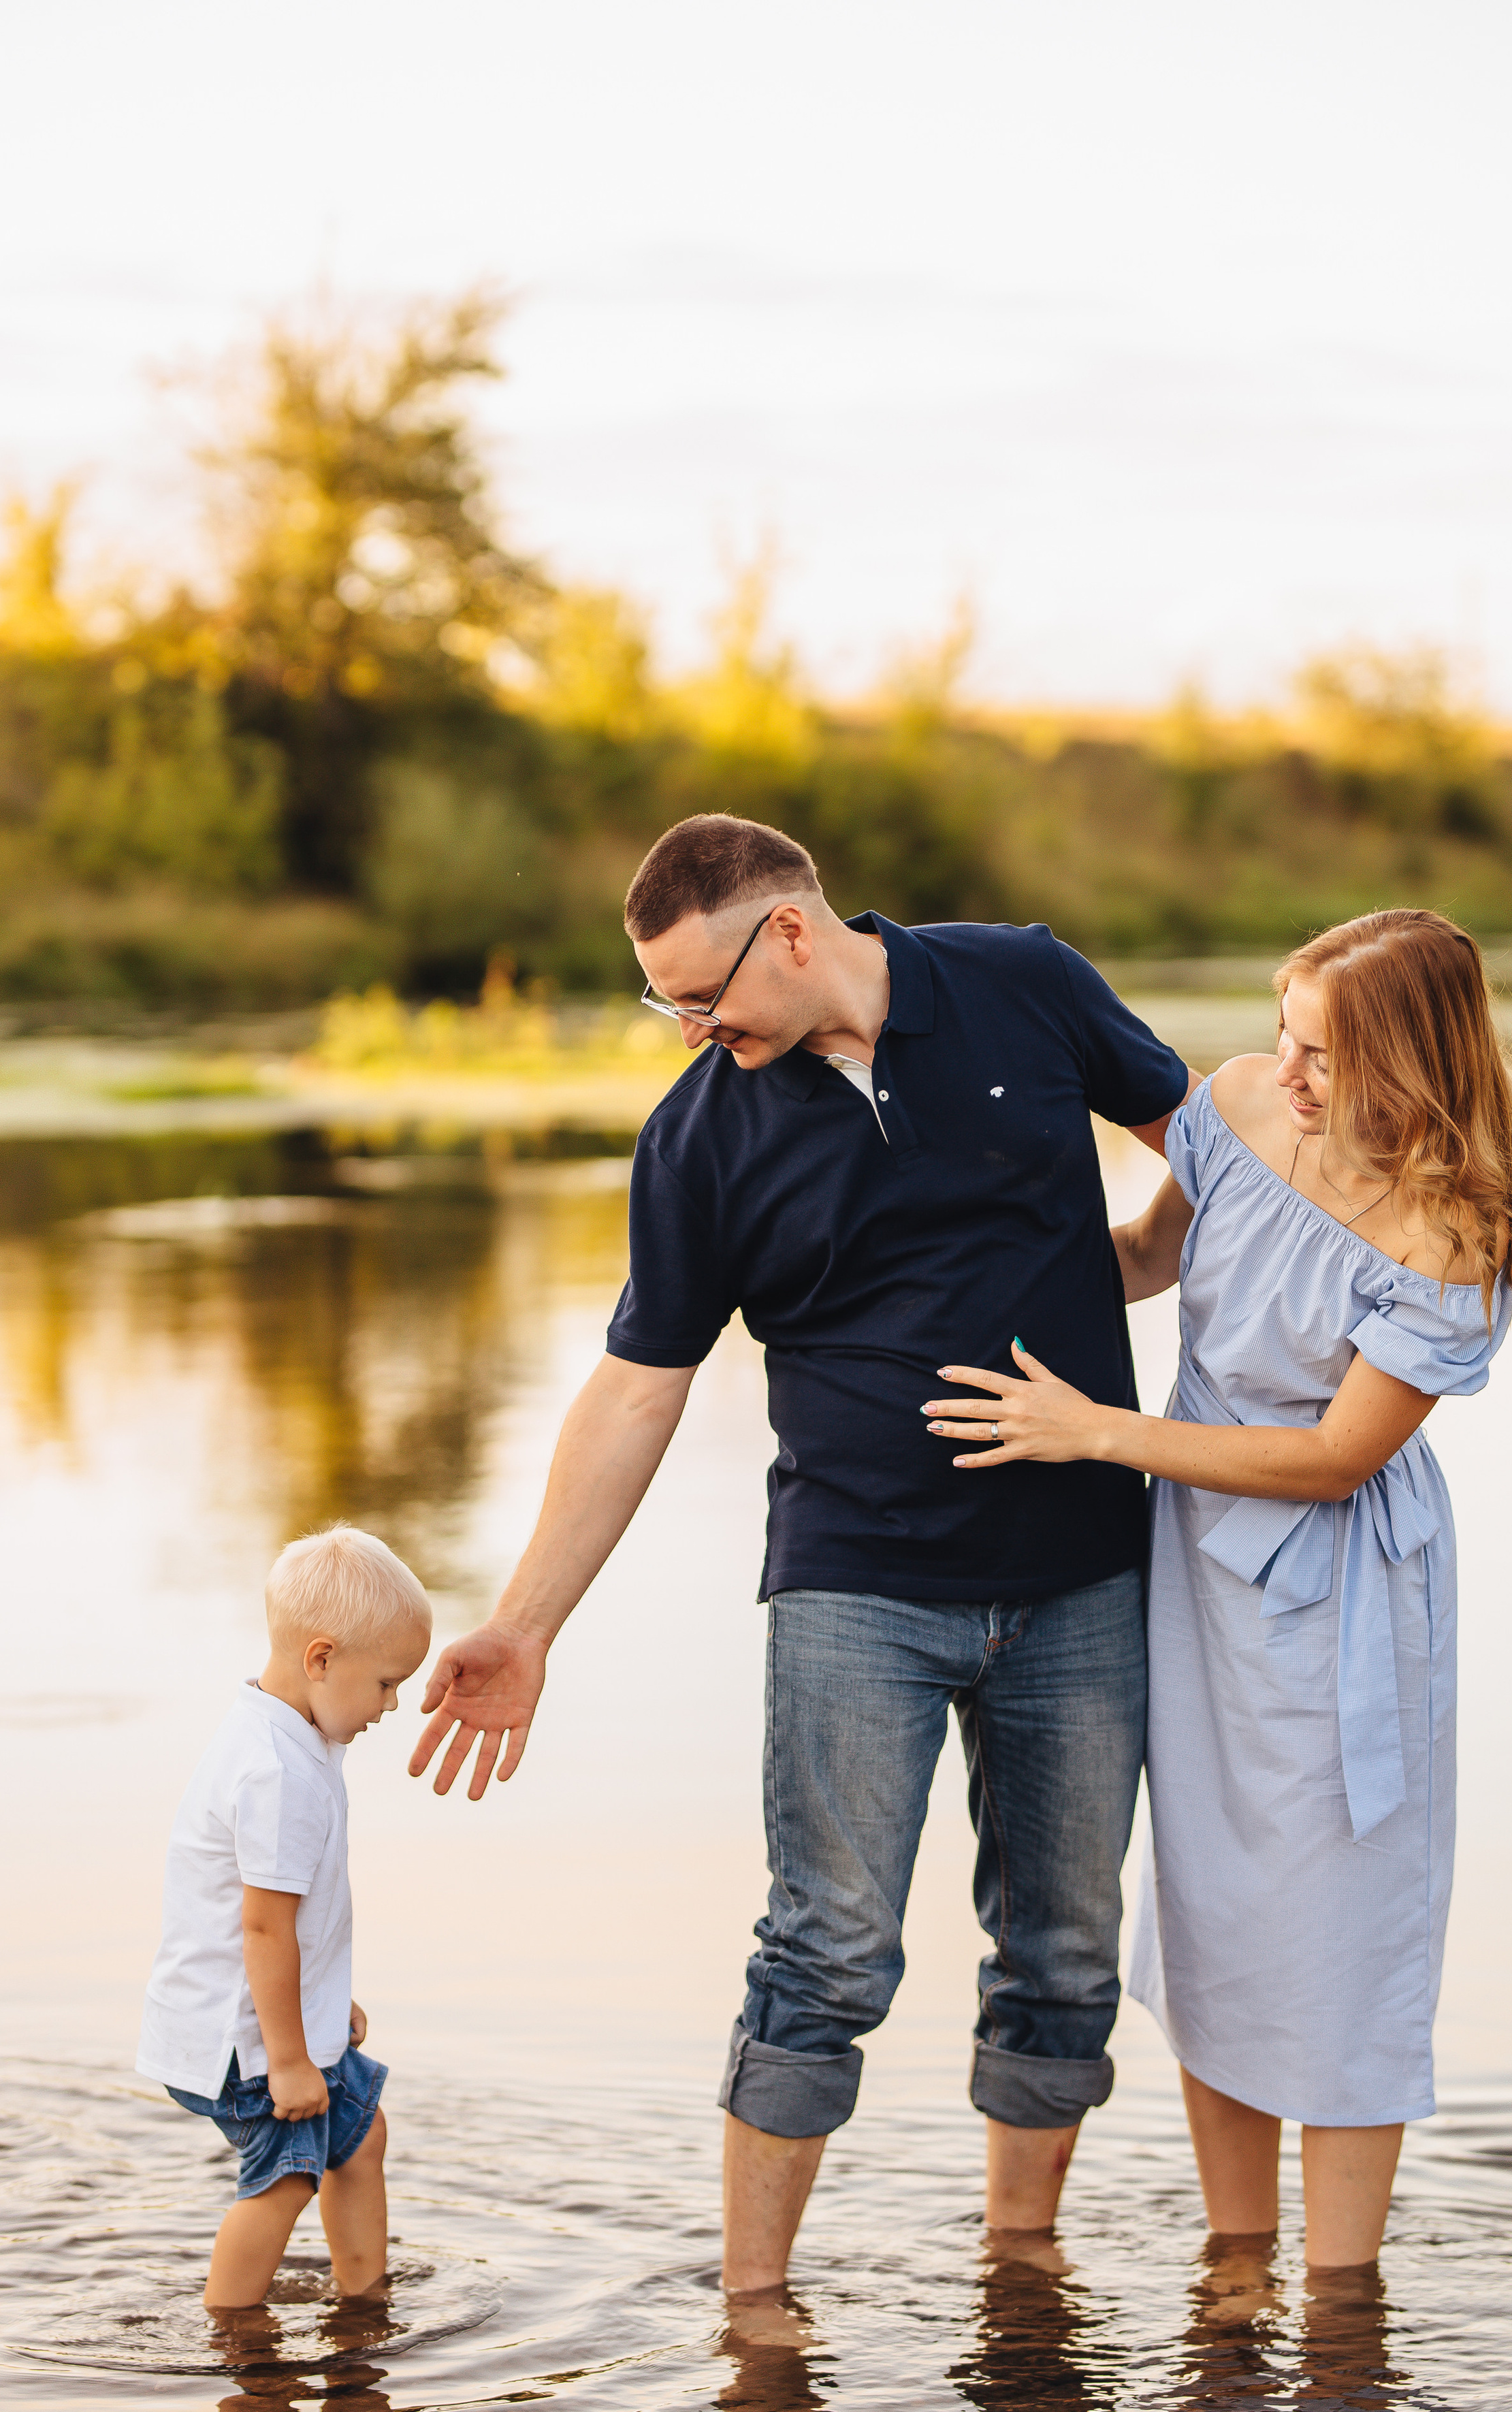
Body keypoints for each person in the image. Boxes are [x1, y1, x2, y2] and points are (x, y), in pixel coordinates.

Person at [409, 813, 1196, 2293]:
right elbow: (638, 1386)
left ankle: (1019, 2275)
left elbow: (1212, 1137)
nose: (692, 1028)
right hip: (854, 1586)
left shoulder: (1020, 983)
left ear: (787, 929)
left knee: (1064, 1958)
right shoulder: (701, 1130)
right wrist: (526, 1625)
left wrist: (1148, 1253)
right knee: (825, 1954)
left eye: (702, 995)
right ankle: (753, 2310)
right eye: (666, 1007)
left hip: (1083, 1575)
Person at [924, 909, 1512, 2266]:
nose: (1287, 1071)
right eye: (1285, 1035)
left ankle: (1338, 2298)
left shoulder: (1452, 1221)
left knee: (1341, 1923)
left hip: (1338, 1593)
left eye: (1323, 1055)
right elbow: (1147, 1257)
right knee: (1211, 1903)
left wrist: (1095, 1432)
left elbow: (1333, 1459)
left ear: (1416, 1060)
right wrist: (952, 1286)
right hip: (1191, 1569)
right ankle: (1233, 2263)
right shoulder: (1238, 1101)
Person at [137, 1524, 432, 2310]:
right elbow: (262, 1929)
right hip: (246, 2039)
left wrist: (332, 1998)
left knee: (360, 2138)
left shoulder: (290, 1734)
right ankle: (231, 2333)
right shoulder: (275, 1771)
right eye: (386, 1683)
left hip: (277, 2017)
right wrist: (292, 2059)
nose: (392, 1703)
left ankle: (364, 2303)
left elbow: (295, 1921)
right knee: (286, 2178)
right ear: (323, 1659)